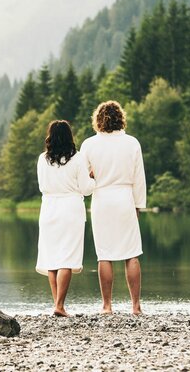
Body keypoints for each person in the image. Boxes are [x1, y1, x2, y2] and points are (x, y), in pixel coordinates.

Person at [80, 101, 146, 315]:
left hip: (102, 199)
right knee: (132, 253)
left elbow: (84, 182)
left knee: (104, 254)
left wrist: (92, 179)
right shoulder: (132, 143)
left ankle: (107, 306)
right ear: (121, 118)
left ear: (98, 120)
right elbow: (139, 178)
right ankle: (136, 306)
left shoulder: (89, 145)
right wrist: (138, 205)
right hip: (125, 197)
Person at [36, 120, 95, 317]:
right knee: (67, 258)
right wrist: (92, 178)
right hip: (70, 209)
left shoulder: (42, 159)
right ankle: (59, 306)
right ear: (69, 136)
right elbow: (86, 189)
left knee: (52, 258)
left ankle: (58, 304)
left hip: (49, 208)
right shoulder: (77, 159)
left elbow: (41, 186)